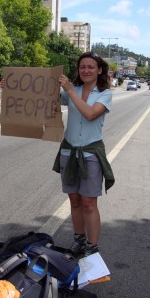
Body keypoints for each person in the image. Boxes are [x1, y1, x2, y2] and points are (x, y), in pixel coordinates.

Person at [53, 51, 115, 257]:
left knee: (89, 202)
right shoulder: (73, 90)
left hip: (90, 155)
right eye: (82, 67)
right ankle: (78, 240)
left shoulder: (104, 94)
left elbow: (90, 114)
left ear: (99, 70)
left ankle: (92, 246)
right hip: (68, 152)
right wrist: (11, 86)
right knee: (74, 200)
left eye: (90, 67)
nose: (86, 70)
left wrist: (70, 90)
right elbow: (42, 97)